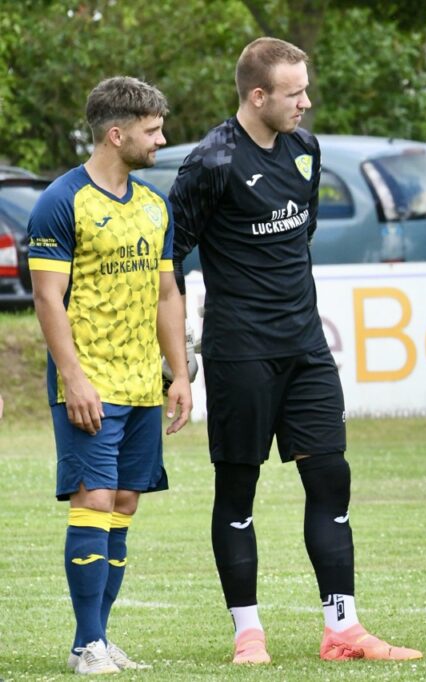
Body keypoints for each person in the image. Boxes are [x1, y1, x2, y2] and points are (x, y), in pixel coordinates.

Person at [169, 37, 420, 664]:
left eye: (305, 89)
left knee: (331, 477)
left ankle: (343, 630)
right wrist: (176, 359)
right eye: (294, 92)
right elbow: (166, 259)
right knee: (238, 488)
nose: (306, 102)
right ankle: (247, 634)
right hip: (240, 352)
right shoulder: (211, 163)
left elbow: (295, 240)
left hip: (306, 347)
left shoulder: (306, 151)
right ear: (258, 96)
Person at [27, 76, 192, 674]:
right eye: (152, 130)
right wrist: (73, 377)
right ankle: (85, 644)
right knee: (93, 497)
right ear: (116, 133)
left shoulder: (154, 204)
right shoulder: (61, 201)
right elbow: (48, 299)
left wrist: (179, 374)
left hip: (144, 381)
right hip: (89, 381)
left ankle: (101, 637)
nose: (161, 139)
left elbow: (167, 292)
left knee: (124, 502)